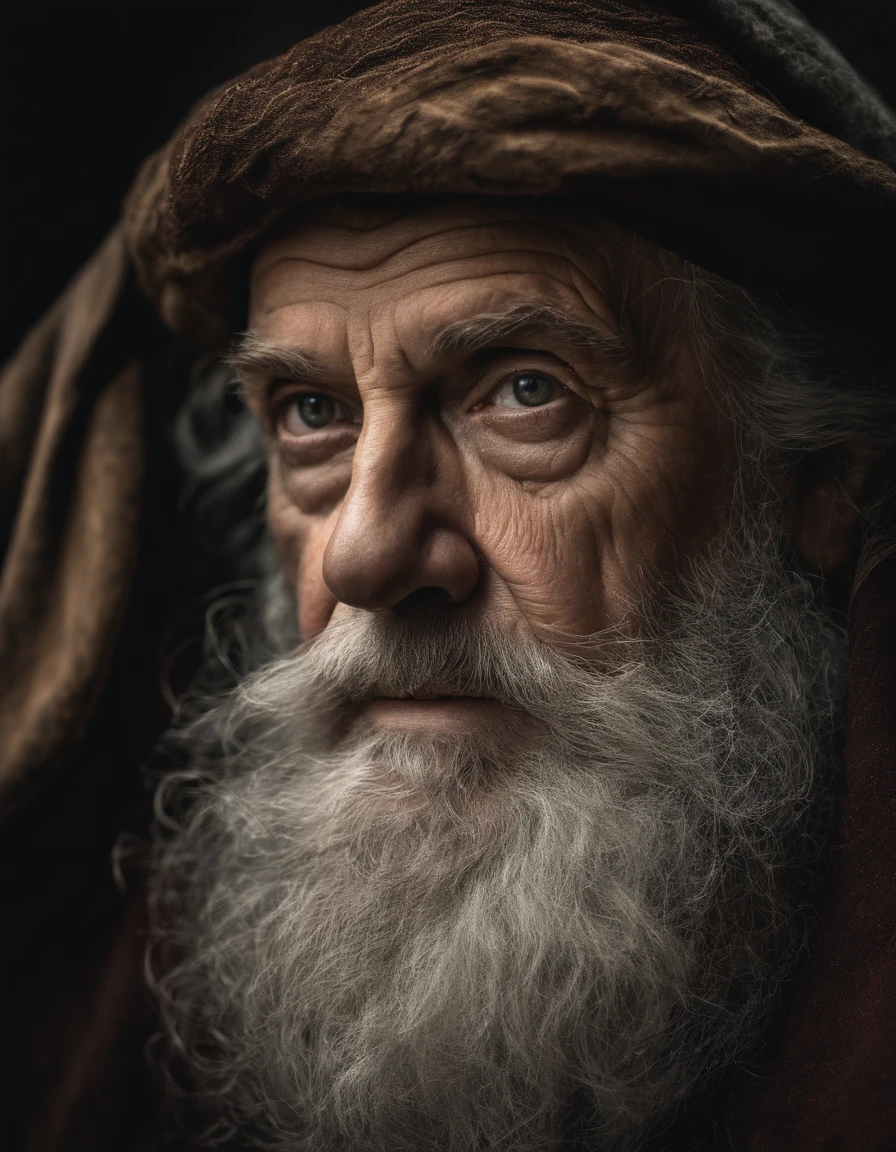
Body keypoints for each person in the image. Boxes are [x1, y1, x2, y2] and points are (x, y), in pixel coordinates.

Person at [1, 2, 895, 1150]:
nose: (366, 556)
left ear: (821, 477)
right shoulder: (96, 1031)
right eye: (312, 415)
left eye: (523, 391)